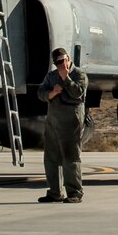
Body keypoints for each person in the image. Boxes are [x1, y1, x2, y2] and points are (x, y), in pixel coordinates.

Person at [40, 48, 89, 203]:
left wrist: (66, 78)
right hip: (53, 122)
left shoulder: (79, 74)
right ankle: (55, 192)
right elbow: (40, 92)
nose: (61, 64)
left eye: (63, 60)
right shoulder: (51, 76)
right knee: (51, 159)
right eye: (58, 62)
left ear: (68, 58)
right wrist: (52, 93)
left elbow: (78, 92)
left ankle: (74, 193)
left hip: (71, 123)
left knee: (71, 158)